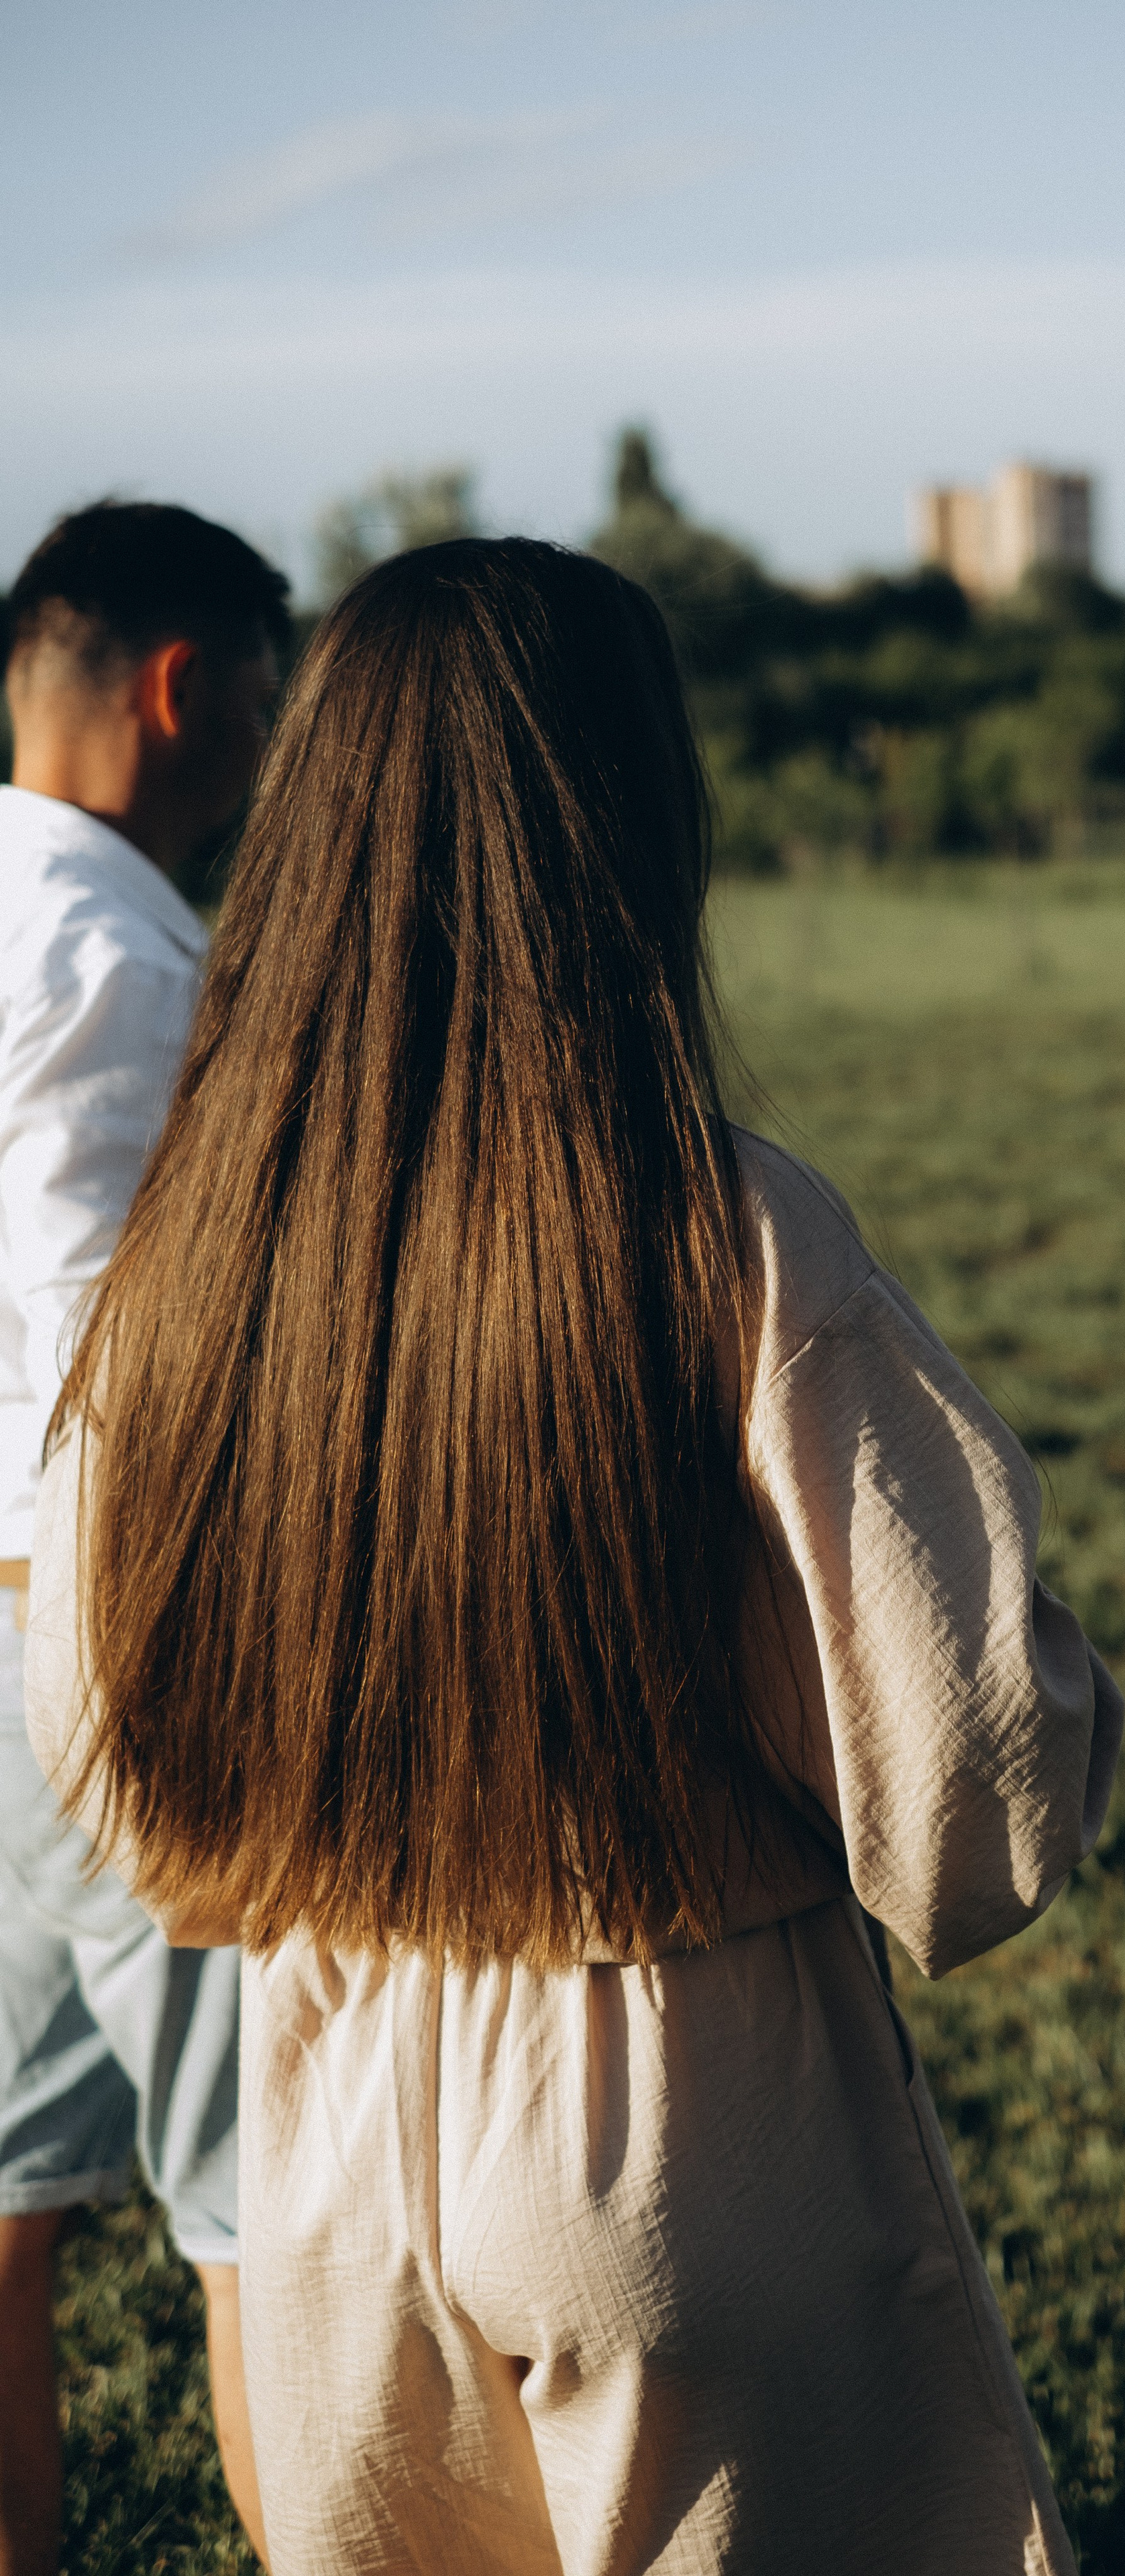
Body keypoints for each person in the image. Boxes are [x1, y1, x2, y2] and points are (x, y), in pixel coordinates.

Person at [24, 539, 1123, 2576]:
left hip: (335, 2130)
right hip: (695, 2095)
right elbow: (969, 1764)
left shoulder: (182, 1255)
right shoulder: (726, 1229)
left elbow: (104, 1729)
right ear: (633, 818)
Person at [0, 500, 286, 2573]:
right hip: (105, 1635)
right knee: (263, 2214)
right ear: (183, 689)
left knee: (7, 2191)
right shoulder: (110, 950)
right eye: (266, 706)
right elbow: (109, 1337)